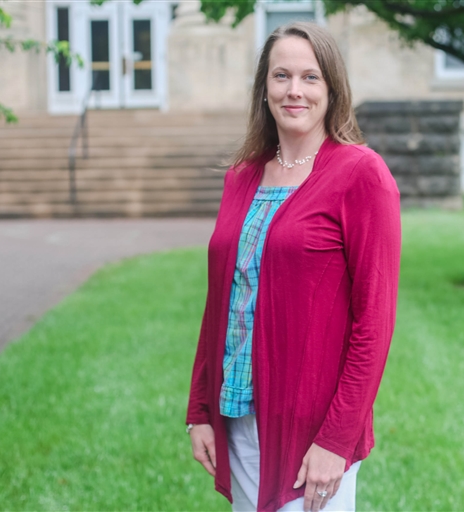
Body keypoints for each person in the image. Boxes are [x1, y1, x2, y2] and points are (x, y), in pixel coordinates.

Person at [185, 21, 401, 512]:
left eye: (310, 77)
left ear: (332, 89)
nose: (294, 90)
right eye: (281, 76)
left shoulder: (361, 175)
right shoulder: (242, 177)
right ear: (264, 88)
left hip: (312, 430)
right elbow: (222, 299)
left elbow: (375, 322)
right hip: (237, 412)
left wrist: (337, 440)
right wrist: (199, 408)